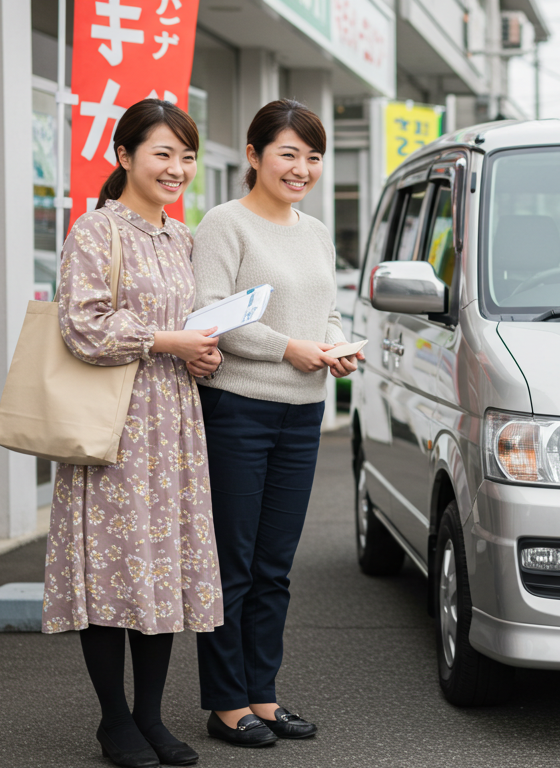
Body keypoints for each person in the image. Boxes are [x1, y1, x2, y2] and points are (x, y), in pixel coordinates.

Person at [41, 99, 225, 768]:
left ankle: (149, 716)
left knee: (160, 569)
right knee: (110, 570)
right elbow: (80, 327)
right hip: (113, 424)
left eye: (186, 155)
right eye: (163, 154)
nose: (178, 168)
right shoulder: (96, 231)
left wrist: (200, 351)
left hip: (172, 422)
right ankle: (113, 719)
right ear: (124, 158)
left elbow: (194, 329)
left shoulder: (182, 237)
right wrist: (167, 340)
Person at [191, 99, 363, 747]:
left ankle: (263, 696)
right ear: (254, 154)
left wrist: (334, 346)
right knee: (232, 564)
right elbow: (210, 315)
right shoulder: (223, 225)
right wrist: (287, 349)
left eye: (313, 157)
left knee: (275, 566)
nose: (302, 168)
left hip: (303, 414)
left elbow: (328, 312)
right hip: (237, 409)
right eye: (289, 153)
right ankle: (225, 702)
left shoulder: (315, 231)